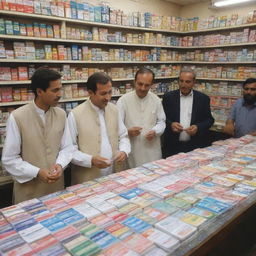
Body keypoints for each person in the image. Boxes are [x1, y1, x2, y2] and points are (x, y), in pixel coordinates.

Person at [2, 67, 73, 204]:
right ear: (39, 91)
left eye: (60, 89)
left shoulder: (61, 114)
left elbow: (67, 147)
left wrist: (60, 164)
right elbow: (9, 159)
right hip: (29, 192)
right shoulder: (17, 117)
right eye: (55, 90)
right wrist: (37, 172)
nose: (59, 94)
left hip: (56, 188)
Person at [68, 72, 130, 184]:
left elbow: (123, 136)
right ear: (91, 93)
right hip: (87, 179)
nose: (108, 97)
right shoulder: (75, 114)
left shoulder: (114, 110)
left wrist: (124, 151)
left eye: (110, 92)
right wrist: (90, 160)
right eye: (103, 94)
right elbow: (69, 150)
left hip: (114, 175)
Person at [116, 67, 166, 168]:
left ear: (151, 85)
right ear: (134, 82)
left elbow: (162, 122)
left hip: (152, 150)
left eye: (147, 85)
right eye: (140, 84)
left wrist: (155, 131)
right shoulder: (123, 101)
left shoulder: (156, 100)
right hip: (133, 149)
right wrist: (128, 132)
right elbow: (116, 126)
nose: (143, 88)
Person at [162, 67, 214, 157]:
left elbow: (209, 120)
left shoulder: (203, 98)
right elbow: (161, 118)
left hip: (194, 146)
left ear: (194, 82)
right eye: (181, 81)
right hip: (172, 146)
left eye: (187, 82)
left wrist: (198, 127)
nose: (183, 85)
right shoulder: (168, 97)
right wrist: (171, 124)